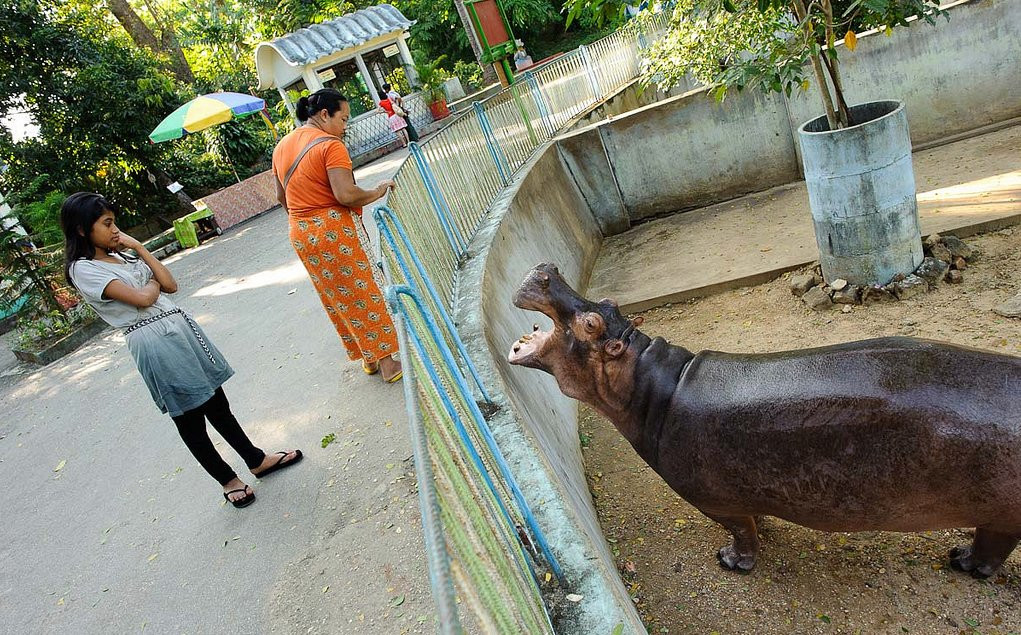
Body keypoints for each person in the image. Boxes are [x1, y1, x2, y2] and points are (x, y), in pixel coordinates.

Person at [61, 192, 302, 509]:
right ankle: (228, 481)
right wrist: (150, 286)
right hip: (153, 341)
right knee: (189, 419)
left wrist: (138, 247)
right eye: (107, 224)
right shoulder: (84, 269)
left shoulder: (122, 256)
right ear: (81, 229)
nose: (115, 229)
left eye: (114, 222)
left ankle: (256, 460)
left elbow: (169, 284)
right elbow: (144, 298)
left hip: (179, 331)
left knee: (218, 404)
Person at [271, 88, 403, 383]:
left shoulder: (282, 146)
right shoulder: (331, 145)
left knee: (337, 296)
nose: (345, 127)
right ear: (324, 115)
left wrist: (306, 218)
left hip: (301, 232)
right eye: (343, 119)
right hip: (333, 230)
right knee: (362, 290)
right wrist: (377, 191)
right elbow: (346, 195)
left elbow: (282, 197)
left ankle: (368, 358)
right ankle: (387, 364)